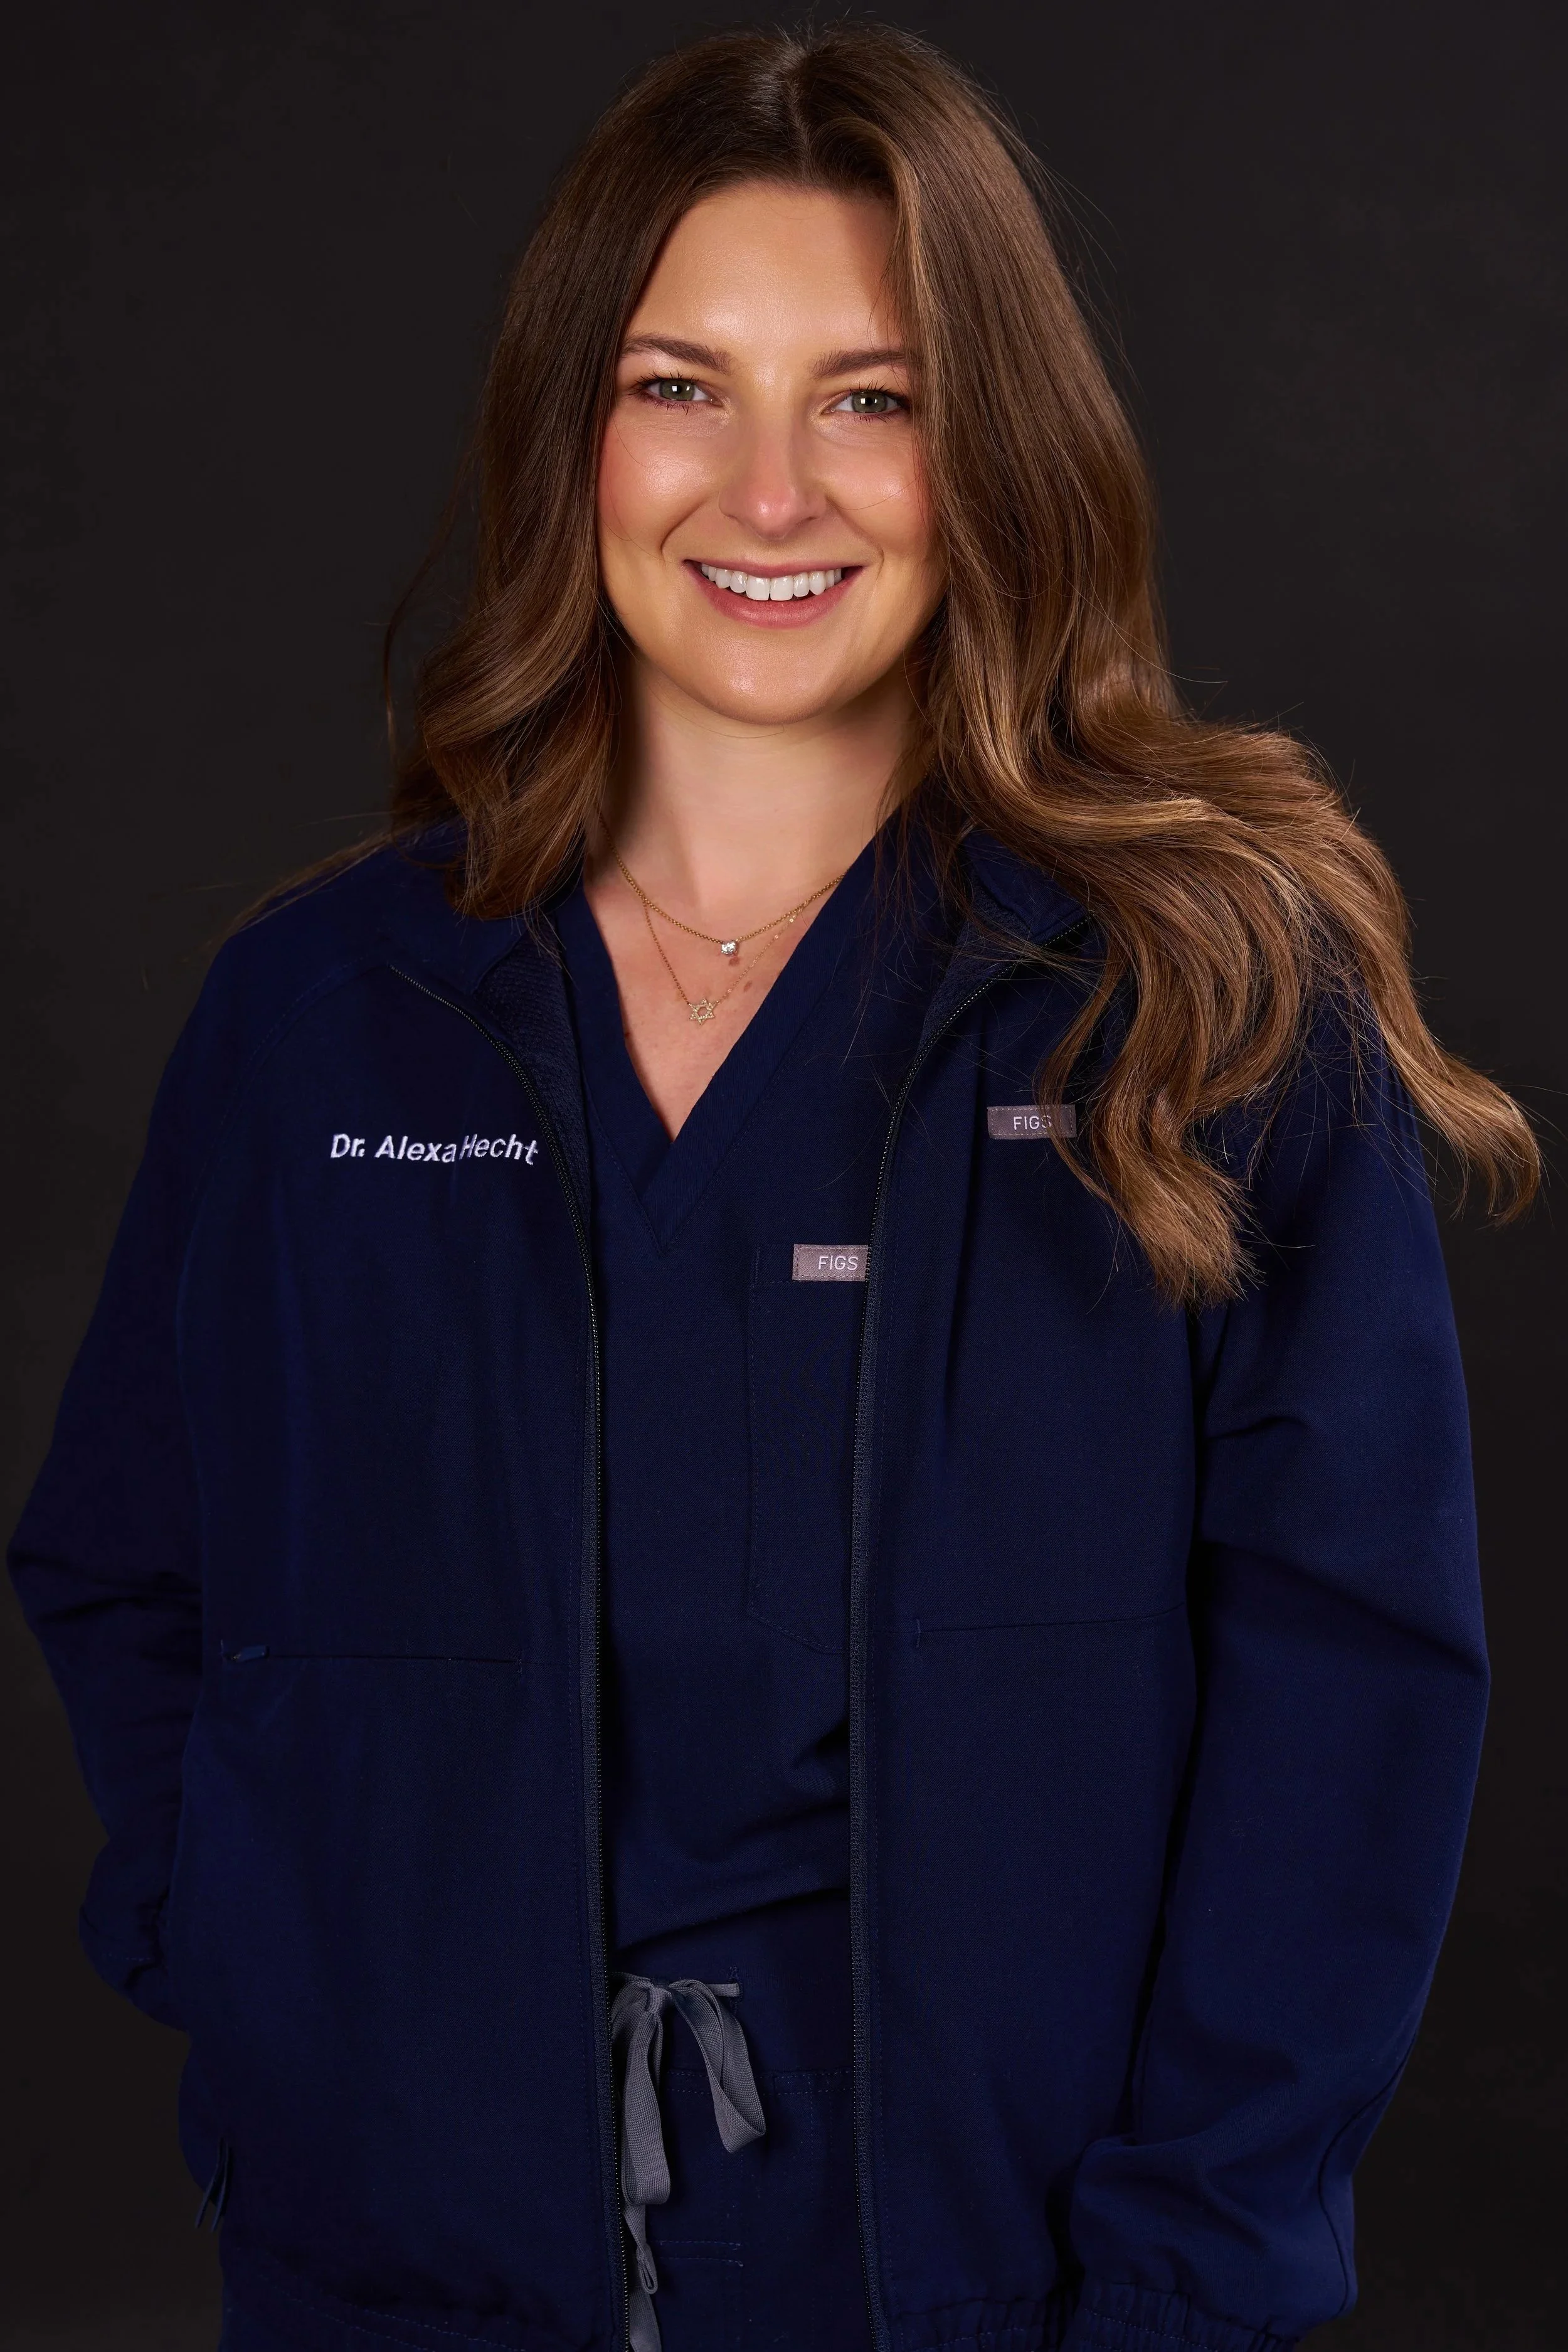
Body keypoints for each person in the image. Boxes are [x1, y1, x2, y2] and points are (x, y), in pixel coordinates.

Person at [9, 23, 1540, 2352]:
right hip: (390, 2280)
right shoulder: (318, 1015)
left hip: (996, 2288)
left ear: (989, 448)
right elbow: (127, 1556)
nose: (768, 488)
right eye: (677, 383)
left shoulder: (1202, 1002)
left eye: (873, 396)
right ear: (572, 433)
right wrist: (268, 1964)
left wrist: (1179, 2276)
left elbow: (1355, 1694)